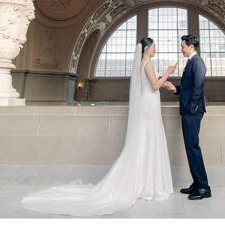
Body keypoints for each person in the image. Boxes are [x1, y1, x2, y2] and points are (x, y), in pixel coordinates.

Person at [21, 38, 175, 216]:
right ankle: (146, 184)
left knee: (146, 141)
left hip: (148, 104)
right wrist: (168, 73)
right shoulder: (147, 63)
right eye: (154, 47)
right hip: (149, 106)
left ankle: (145, 181)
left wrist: (165, 83)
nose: (156, 49)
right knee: (148, 140)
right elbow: (154, 85)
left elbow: (152, 84)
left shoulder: (144, 63)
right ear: (147, 48)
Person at [167, 34, 210, 200]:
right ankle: (197, 184)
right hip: (188, 111)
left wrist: (192, 109)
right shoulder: (191, 62)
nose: (181, 48)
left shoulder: (197, 62)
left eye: (182, 46)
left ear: (190, 46)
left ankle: (204, 188)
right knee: (190, 148)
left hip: (192, 112)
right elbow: (188, 87)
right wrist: (174, 88)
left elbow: (198, 87)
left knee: (193, 148)